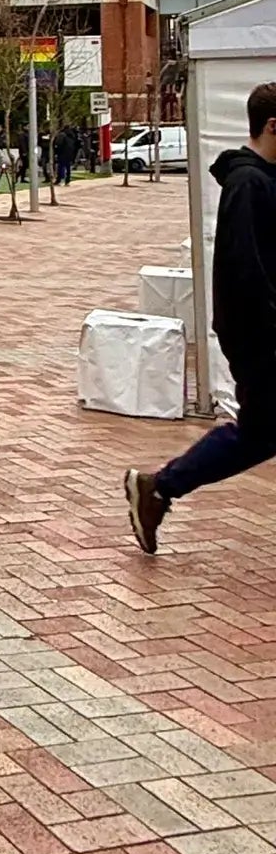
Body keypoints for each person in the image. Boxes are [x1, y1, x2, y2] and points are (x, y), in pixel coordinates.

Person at [126, 83, 276, 552]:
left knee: (257, 435)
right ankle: (158, 486)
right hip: (262, 340)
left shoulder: (262, 180)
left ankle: (157, 487)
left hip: (261, 337)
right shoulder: (248, 185)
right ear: (273, 126)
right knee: (256, 434)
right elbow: (246, 271)